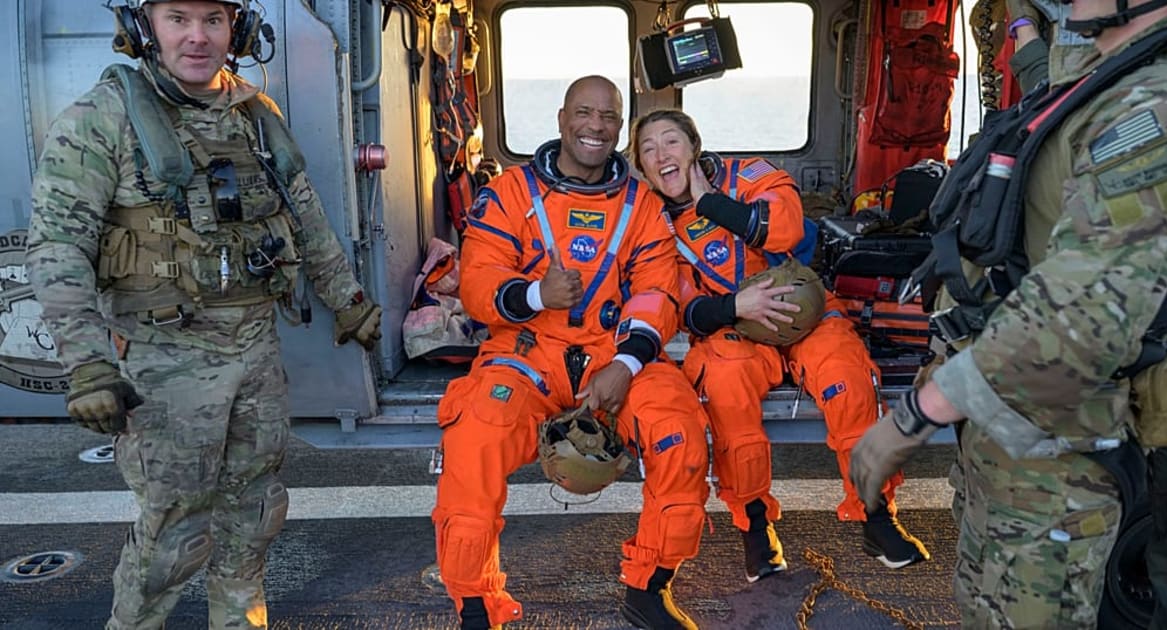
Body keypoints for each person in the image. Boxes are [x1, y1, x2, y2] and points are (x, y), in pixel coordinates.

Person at [25, 1, 382, 628]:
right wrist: (87, 364)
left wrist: (346, 300)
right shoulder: (100, 119)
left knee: (256, 514)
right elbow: (59, 246)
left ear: (236, 30)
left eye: (214, 20)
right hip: (165, 359)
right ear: (144, 27)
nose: (197, 36)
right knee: (173, 536)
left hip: (254, 352)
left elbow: (305, 215)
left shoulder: (254, 115)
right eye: (178, 18)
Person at [850, 0, 1167, 625]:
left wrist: (912, 418)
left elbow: (1082, 311)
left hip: (1072, 425)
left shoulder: (1165, 101)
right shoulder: (1111, 74)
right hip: (1026, 423)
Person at [432, 77, 711, 630]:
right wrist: (536, 294)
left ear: (619, 127)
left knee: (679, 434)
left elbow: (657, 293)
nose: (596, 126)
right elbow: (479, 278)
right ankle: (474, 607)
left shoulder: (641, 206)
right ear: (562, 119)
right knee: (475, 439)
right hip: (528, 352)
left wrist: (627, 364)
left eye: (609, 117)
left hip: (614, 353)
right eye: (584, 113)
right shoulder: (512, 192)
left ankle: (649, 588)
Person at [630, 109, 930, 574]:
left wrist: (709, 202)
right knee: (725, 382)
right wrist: (736, 308)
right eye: (648, 150)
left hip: (801, 309)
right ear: (642, 167)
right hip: (732, 328)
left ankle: (875, 514)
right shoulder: (653, 224)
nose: (662, 155)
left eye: (671, 142)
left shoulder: (747, 175)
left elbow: (786, 227)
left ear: (694, 145)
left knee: (846, 375)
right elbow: (678, 306)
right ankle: (754, 524)